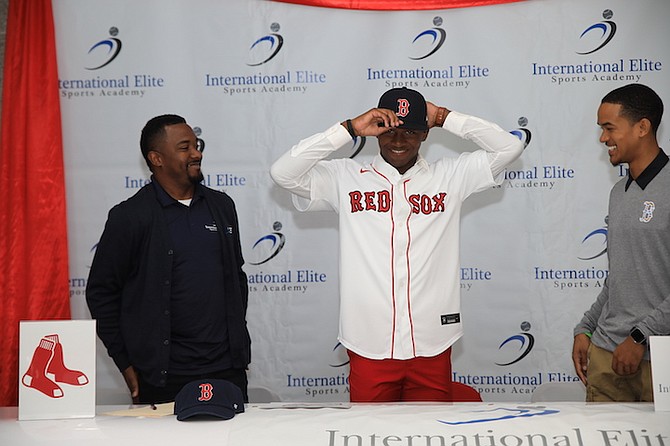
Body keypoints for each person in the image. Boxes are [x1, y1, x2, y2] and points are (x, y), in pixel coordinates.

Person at [270, 87, 524, 402]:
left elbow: (510, 147)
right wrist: (348, 129)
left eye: (410, 131)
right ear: (376, 132)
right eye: (389, 130)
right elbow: (282, 173)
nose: (399, 140)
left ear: (425, 134)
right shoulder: (345, 177)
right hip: (369, 344)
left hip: (431, 342)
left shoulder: (451, 176)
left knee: (432, 435)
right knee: (373, 435)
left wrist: (444, 117)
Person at [86, 114, 251, 404]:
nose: (197, 153)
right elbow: (101, 293)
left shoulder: (222, 205)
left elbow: (236, 277)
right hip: (163, 377)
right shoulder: (130, 216)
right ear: (156, 158)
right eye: (184, 147)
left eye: (196, 145)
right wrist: (124, 362)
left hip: (227, 371)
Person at [573, 84, 669, 402]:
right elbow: (620, 278)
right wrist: (586, 328)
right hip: (606, 355)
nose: (603, 139)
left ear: (642, 127)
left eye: (609, 128)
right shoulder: (618, 193)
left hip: (659, 361)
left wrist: (642, 337)